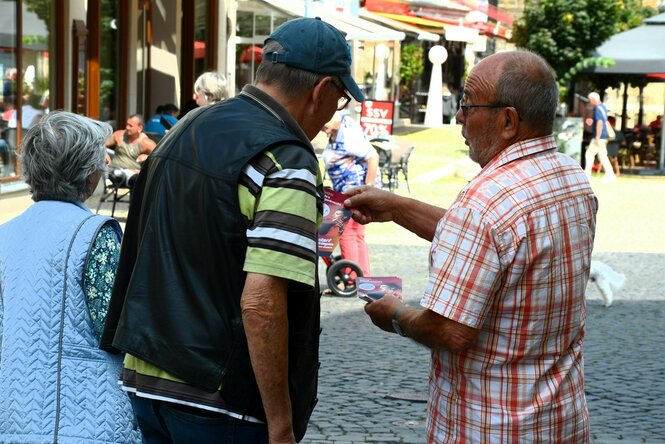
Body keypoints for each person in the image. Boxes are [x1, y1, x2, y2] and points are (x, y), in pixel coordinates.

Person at [100, 17, 363, 443]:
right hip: (221, 399)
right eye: (341, 98)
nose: (335, 111)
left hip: (147, 378)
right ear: (322, 90)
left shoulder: (185, 127)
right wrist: (281, 425)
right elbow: (261, 304)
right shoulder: (286, 159)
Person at [344, 50, 596, 442]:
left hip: (488, 427)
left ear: (508, 121)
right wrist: (397, 207)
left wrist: (396, 315)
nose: (458, 116)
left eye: (467, 105)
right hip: (560, 421)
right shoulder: (570, 178)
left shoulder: (483, 202)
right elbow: (491, 243)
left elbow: (451, 331)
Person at [0, 111, 141, 442]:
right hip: (87, 419)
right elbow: (116, 326)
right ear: (91, 176)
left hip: (15, 414)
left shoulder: (5, 234)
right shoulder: (95, 233)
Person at [322, 113, 379, 276]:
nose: (322, 125)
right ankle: (363, 276)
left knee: (347, 233)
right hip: (345, 192)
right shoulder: (336, 132)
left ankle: (352, 278)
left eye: (327, 119)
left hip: (353, 192)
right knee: (357, 233)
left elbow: (372, 156)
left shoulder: (347, 132)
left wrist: (368, 188)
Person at [105, 113, 157, 187]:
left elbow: (159, 158)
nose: (127, 127)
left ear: (140, 128)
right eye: (127, 124)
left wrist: (146, 157)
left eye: (130, 126)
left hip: (132, 175)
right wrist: (106, 157)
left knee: (137, 180)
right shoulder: (119, 135)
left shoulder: (146, 142)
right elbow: (101, 145)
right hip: (114, 171)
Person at [585, 92, 616, 181]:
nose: (589, 101)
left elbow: (600, 122)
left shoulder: (598, 108)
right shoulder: (603, 106)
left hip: (599, 136)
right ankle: (610, 175)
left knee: (589, 154)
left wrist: (597, 137)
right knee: (603, 156)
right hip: (604, 135)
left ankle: (587, 174)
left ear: (594, 99)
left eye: (590, 100)